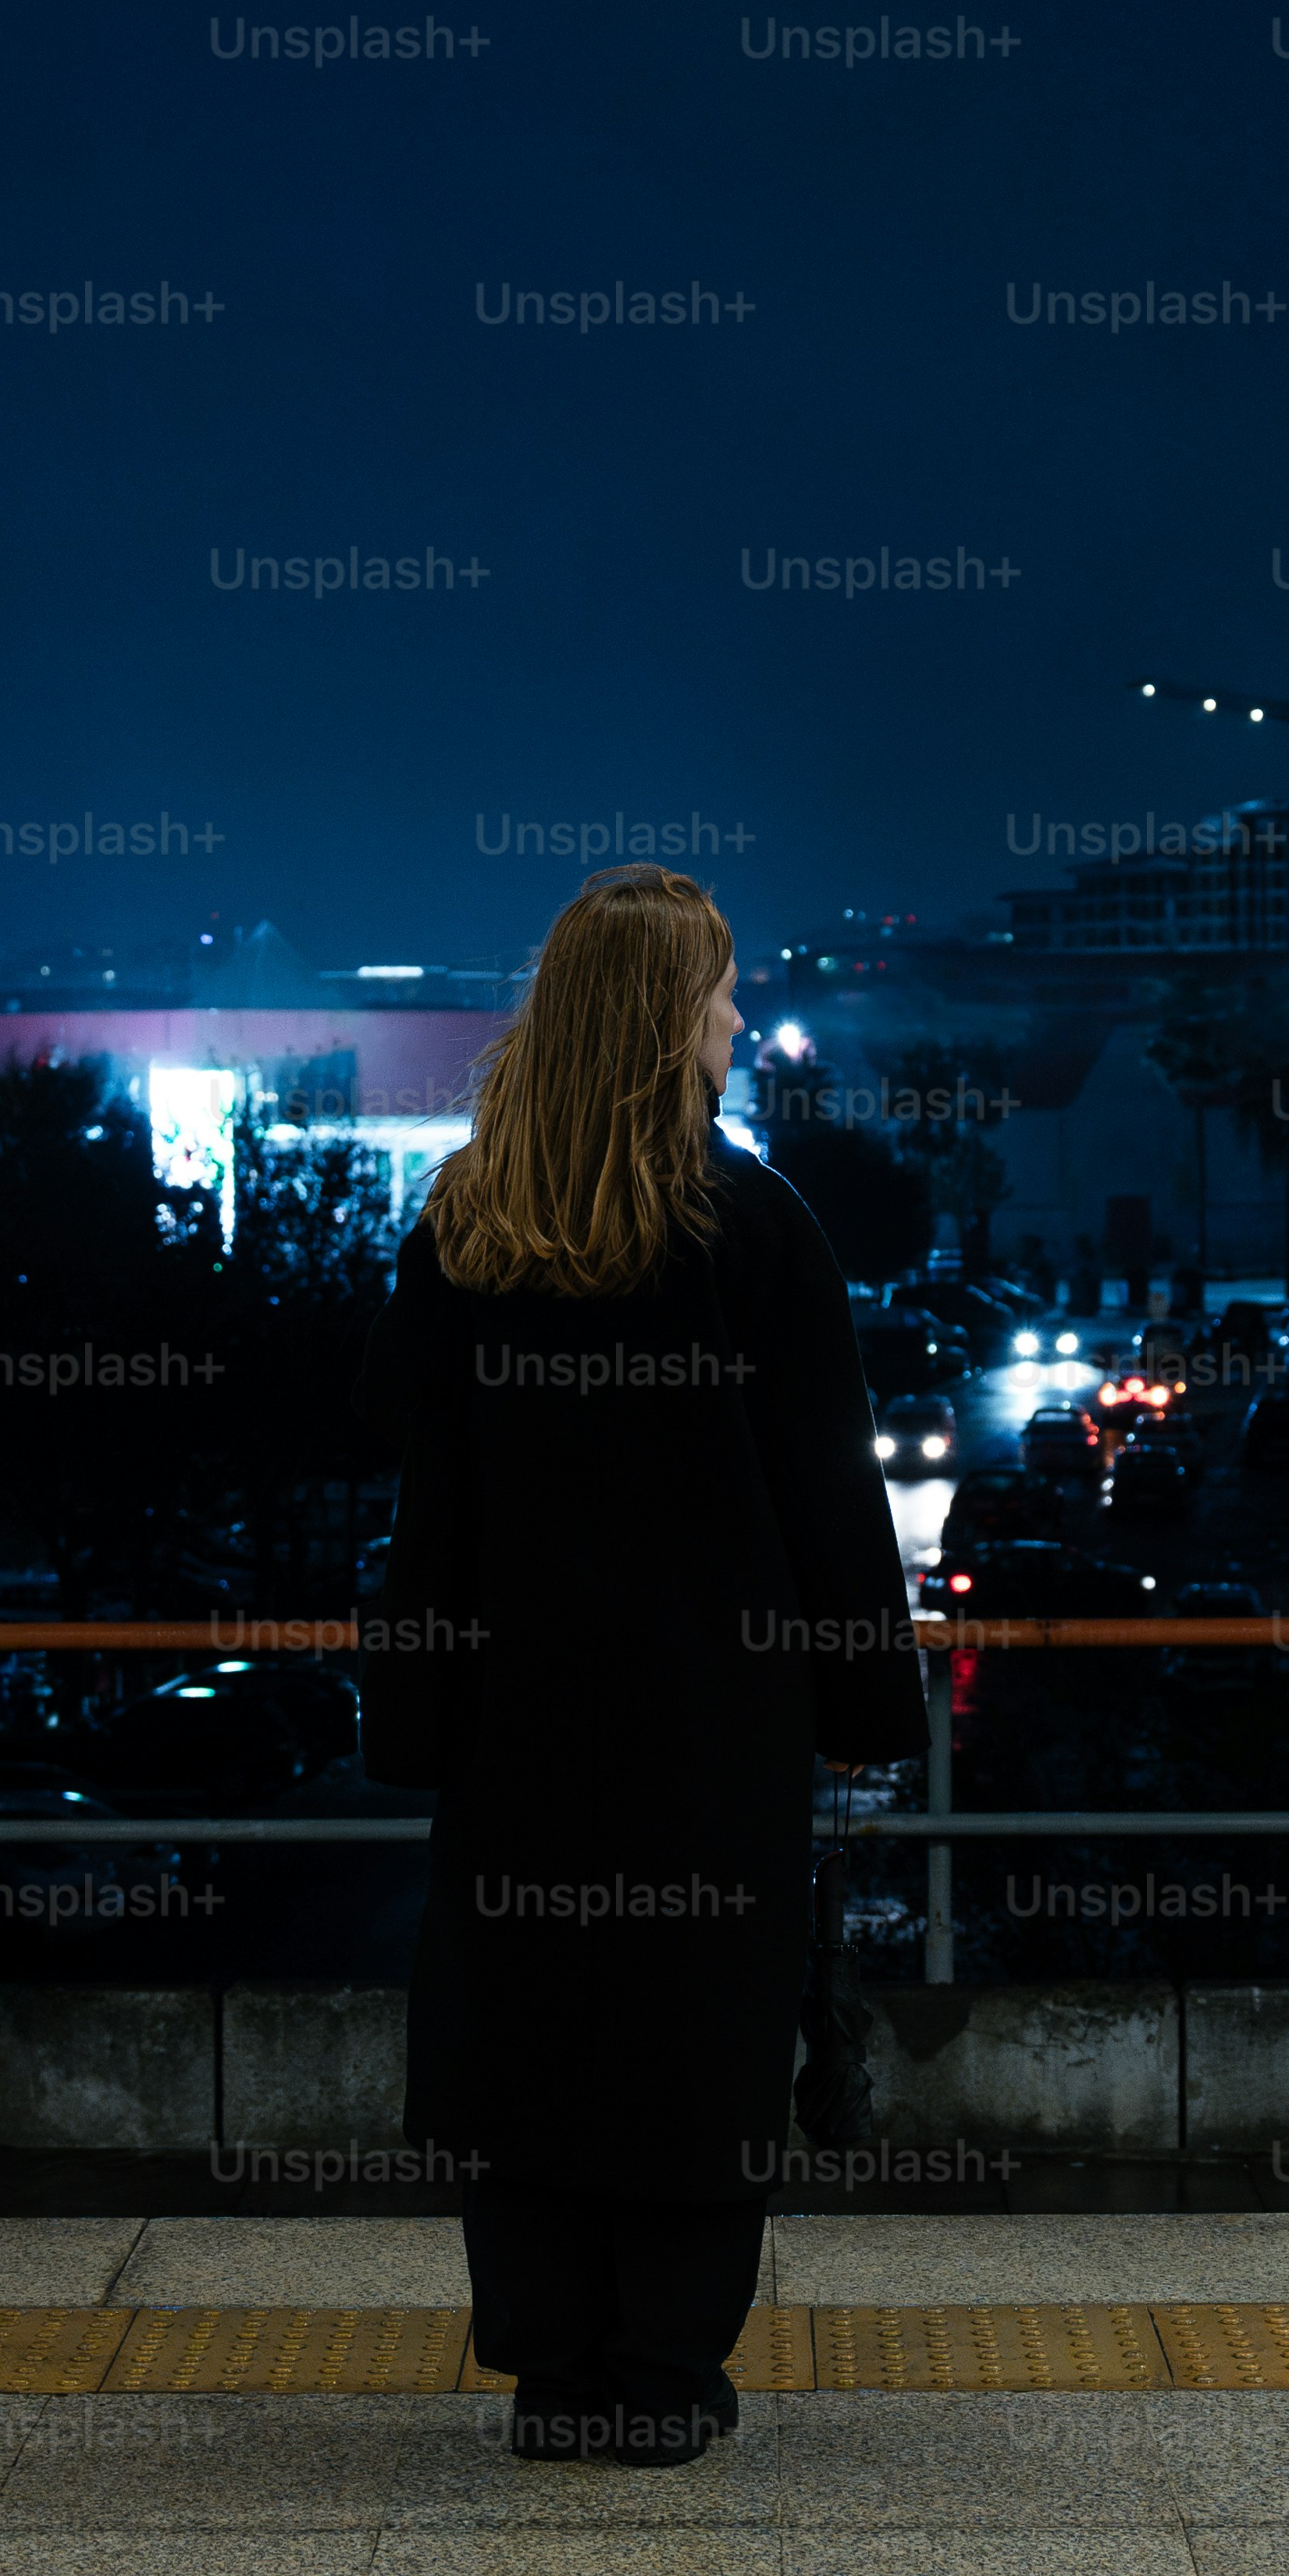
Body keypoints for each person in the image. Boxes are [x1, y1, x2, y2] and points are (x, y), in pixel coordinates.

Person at [357, 865, 927, 2466]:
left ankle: (551, 2362)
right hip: (713, 1714)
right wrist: (868, 1702)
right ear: (669, 1017)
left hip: (513, 1708)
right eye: (721, 990)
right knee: (698, 2021)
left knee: (528, 2016)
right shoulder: (753, 1226)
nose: (740, 1017)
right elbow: (831, 1487)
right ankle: (663, 2368)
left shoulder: (468, 1223)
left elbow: (412, 1458)